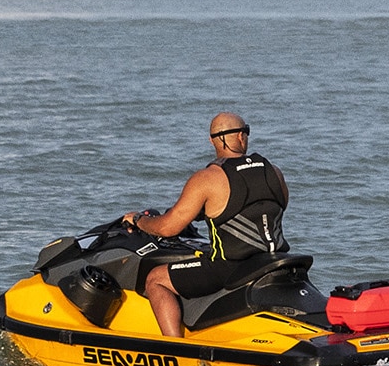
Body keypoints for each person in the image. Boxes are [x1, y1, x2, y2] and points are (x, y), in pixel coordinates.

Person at [120, 112, 291, 337]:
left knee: (155, 279)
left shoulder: (208, 178)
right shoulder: (273, 171)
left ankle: (175, 348)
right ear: (241, 137)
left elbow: (167, 228)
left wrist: (139, 221)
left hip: (229, 267)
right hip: (273, 259)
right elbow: (273, 205)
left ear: (212, 141)